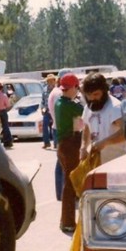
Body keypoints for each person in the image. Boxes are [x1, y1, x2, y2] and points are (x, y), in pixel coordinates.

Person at [79, 73, 126, 164]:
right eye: (89, 95)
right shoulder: (88, 107)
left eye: (96, 94)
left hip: (120, 160)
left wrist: (105, 142)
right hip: (100, 161)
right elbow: (87, 127)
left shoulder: (114, 107)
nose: (92, 98)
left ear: (104, 91)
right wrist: (83, 147)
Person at [54, 73, 84, 232]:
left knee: (68, 183)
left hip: (63, 145)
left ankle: (66, 221)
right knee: (70, 185)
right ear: (72, 87)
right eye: (77, 87)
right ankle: (67, 222)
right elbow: (84, 114)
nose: (77, 90)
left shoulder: (59, 102)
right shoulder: (71, 105)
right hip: (70, 145)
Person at [48, 68, 72, 201]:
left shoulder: (54, 92)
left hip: (57, 127)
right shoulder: (59, 93)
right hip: (61, 129)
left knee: (61, 162)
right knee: (63, 163)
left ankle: (61, 193)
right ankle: (62, 193)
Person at [0, 83, 14, 148]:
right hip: (2, 111)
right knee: (5, 126)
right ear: (1, 88)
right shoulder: (3, 95)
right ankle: (7, 141)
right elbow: (8, 105)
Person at [41, 74, 56, 149]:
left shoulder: (57, 89)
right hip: (46, 110)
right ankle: (46, 143)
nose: (49, 82)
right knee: (44, 126)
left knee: (55, 127)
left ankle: (56, 143)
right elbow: (42, 100)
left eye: (51, 80)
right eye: (48, 81)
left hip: (54, 110)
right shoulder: (44, 89)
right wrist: (42, 108)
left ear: (54, 81)